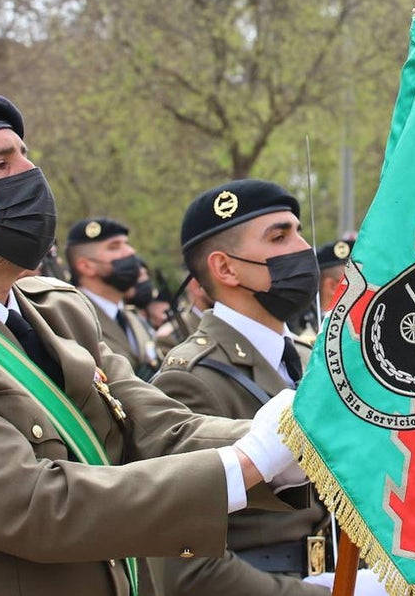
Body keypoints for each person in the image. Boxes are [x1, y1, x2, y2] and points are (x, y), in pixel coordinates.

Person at [0, 90, 305, 595]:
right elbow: (26, 504)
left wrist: (304, 441)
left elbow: (159, 431)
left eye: (25, 157)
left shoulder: (56, 309)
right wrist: (250, 459)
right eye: (0, 165)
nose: (30, 178)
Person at [151, 179, 332, 595]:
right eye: (279, 237)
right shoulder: (192, 378)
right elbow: (190, 570)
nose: (303, 248)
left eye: (298, 232)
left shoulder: (311, 361)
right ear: (226, 268)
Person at [66, 217, 160, 379]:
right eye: (114, 247)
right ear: (86, 266)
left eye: (126, 244)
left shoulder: (133, 319)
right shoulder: (70, 318)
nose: (130, 252)